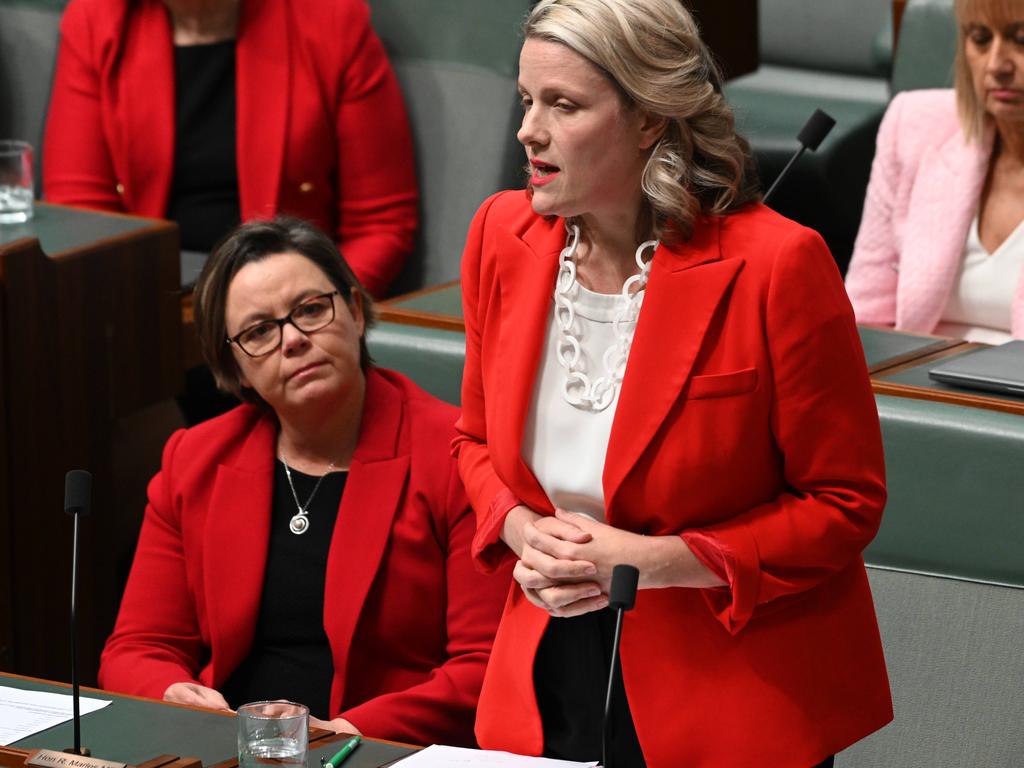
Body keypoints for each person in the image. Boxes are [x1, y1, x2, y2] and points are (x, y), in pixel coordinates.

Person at [452, 1, 892, 766]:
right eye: (527, 99)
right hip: (548, 662)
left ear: (650, 119)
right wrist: (523, 532)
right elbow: (474, 444)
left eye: (564, 104)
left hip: (728, 686)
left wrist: (650, 561)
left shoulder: (776, 266)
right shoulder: (501, 234)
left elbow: (843, 504)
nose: (528, 129)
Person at [99, 217, 510, 747]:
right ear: (236, 368)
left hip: (377, 750)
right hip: (231, 748)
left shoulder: (457, 457)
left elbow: (486, 665)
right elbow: (137, 647)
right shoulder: (194, 460)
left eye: (311, 310)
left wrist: (344, 734)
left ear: (356, 312)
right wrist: (174, 691)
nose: (292, 340)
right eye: (259, 332)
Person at [43, 0, 417, 298]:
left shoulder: (331, 20)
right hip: (147, 307)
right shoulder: (96, 20)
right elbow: (81, 215)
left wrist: (315, 308)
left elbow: (381, 223)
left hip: (290, 312)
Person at [846, 0, 1024, 343]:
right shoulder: (914, 126)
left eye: (1022, 40)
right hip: (916, 387)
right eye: (981, 38)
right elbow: (865, 317)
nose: (998, 64)